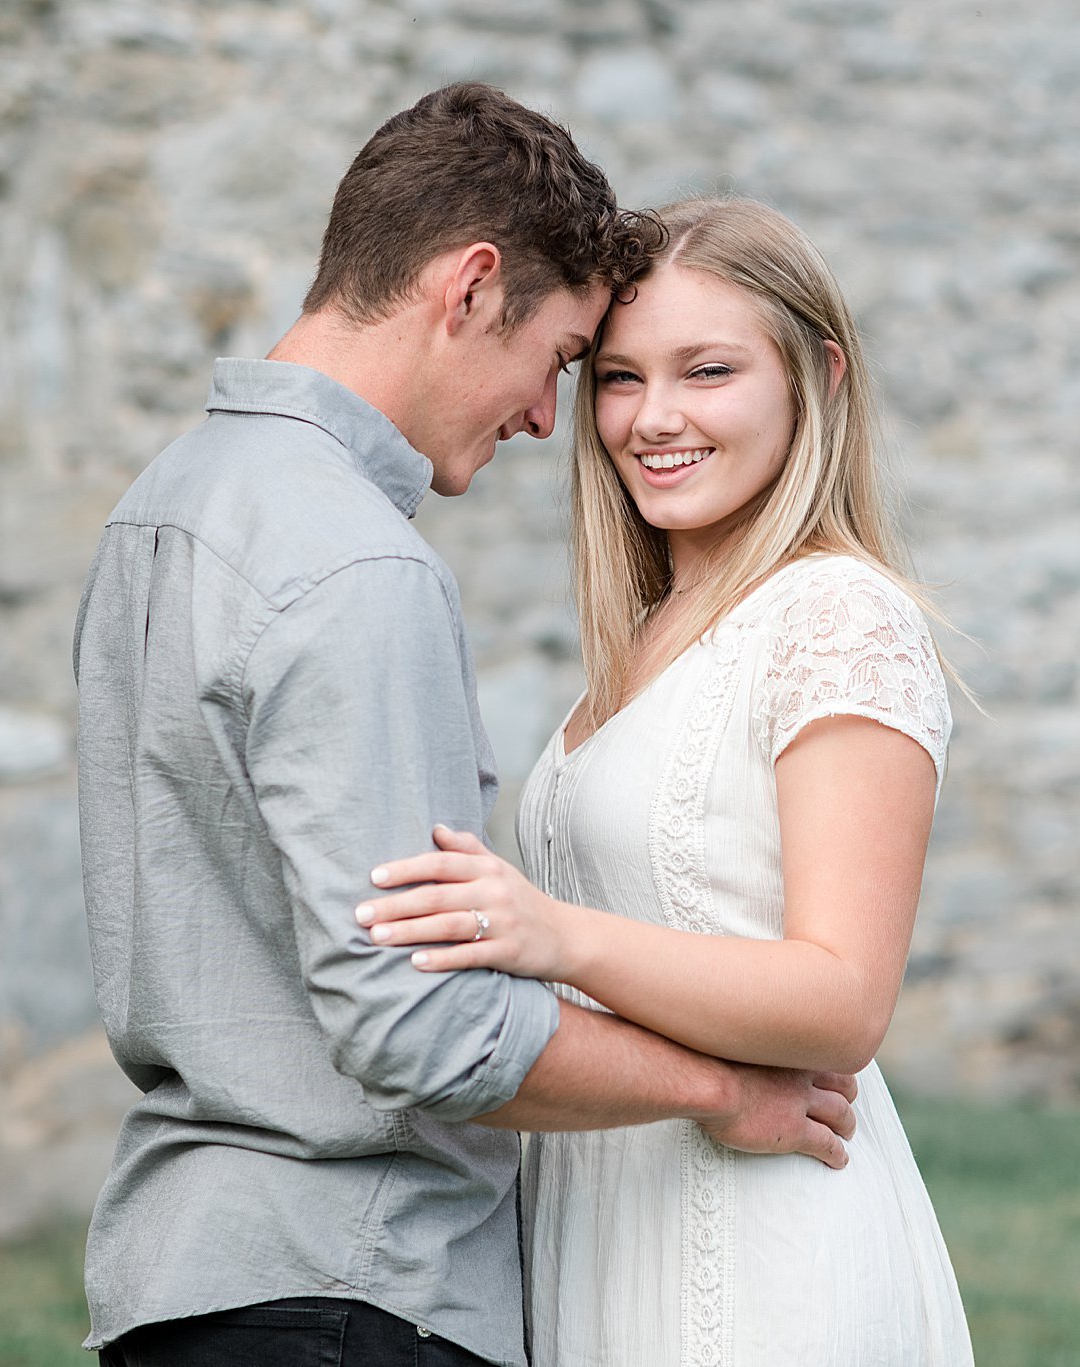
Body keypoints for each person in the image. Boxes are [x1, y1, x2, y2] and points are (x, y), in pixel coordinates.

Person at [72, 90, 859, 1367]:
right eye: (560, 361)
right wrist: (724, 1089)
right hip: (350, 1288)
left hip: (185, 1281)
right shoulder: (355, 564)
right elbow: (416, 1024)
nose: (551, 420)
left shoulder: (163, 507)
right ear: (469, 286)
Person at [356, 197, 977, 1366]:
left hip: (763, 1241)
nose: (655, 418)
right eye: (621, 378)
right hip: (605, 1220)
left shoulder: (837, 616)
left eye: (707, 370)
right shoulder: (652, 629)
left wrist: (553, 936)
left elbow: (843, 998)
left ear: (818, 376)